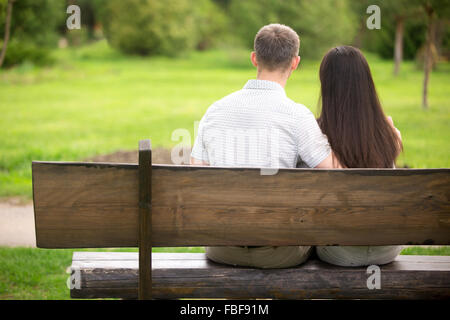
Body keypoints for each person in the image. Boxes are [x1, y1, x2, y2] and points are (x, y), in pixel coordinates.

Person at [190, 23, 340, 269]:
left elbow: (195, 174)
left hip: (221, 247)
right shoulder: (297, 116)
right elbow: (333, 171)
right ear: (295, 63)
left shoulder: (215, 111)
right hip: (279, 252)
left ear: (254, 58)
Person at [315, 46, 404, 267]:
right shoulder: (388, 132)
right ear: (367, 83)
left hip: (338, 251)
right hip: (387, 248)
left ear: (326, 86)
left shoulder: (316, 133)